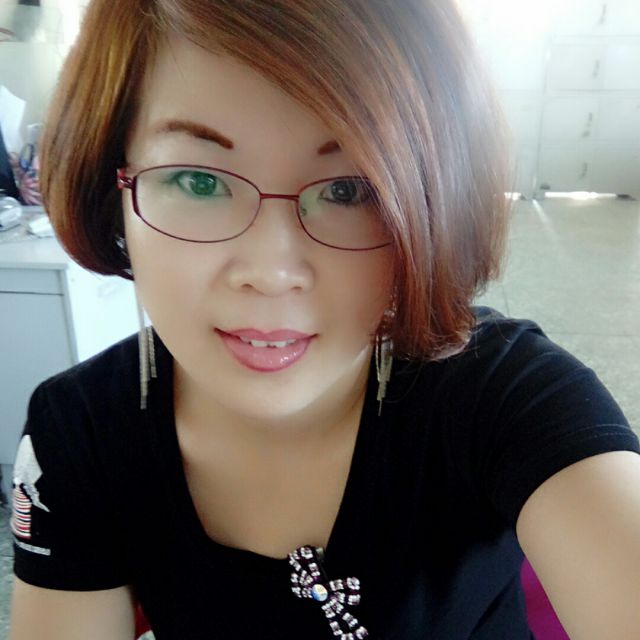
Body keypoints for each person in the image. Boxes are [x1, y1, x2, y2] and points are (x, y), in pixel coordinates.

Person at [8, 1, 640, 639]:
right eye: (199, 181)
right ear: (111, 187)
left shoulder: (504, 396)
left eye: (349, 190)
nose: (271, 271)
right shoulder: (81, 431)